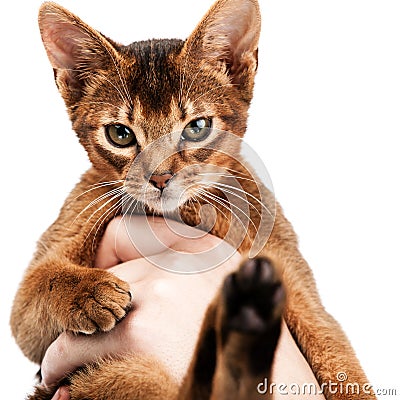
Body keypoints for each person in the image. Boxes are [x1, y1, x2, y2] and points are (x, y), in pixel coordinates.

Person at [43, 216, 326, 400]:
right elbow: (30, 328)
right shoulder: (94, 200)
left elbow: (315, 329)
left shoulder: (248, 204)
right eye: (121, 134)